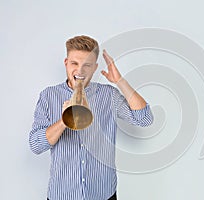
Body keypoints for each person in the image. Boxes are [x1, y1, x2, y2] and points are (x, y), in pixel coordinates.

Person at [29, 35, 153, 200]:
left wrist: (120, 81)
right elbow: (36, 145)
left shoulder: (109, 95)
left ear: (95, 67)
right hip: (63, 195)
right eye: (74, 63)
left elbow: (144, 119)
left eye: (87, 65)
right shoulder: (48, 96)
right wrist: (64, 120)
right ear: (66, 63)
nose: (80, 71)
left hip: (103, 194)